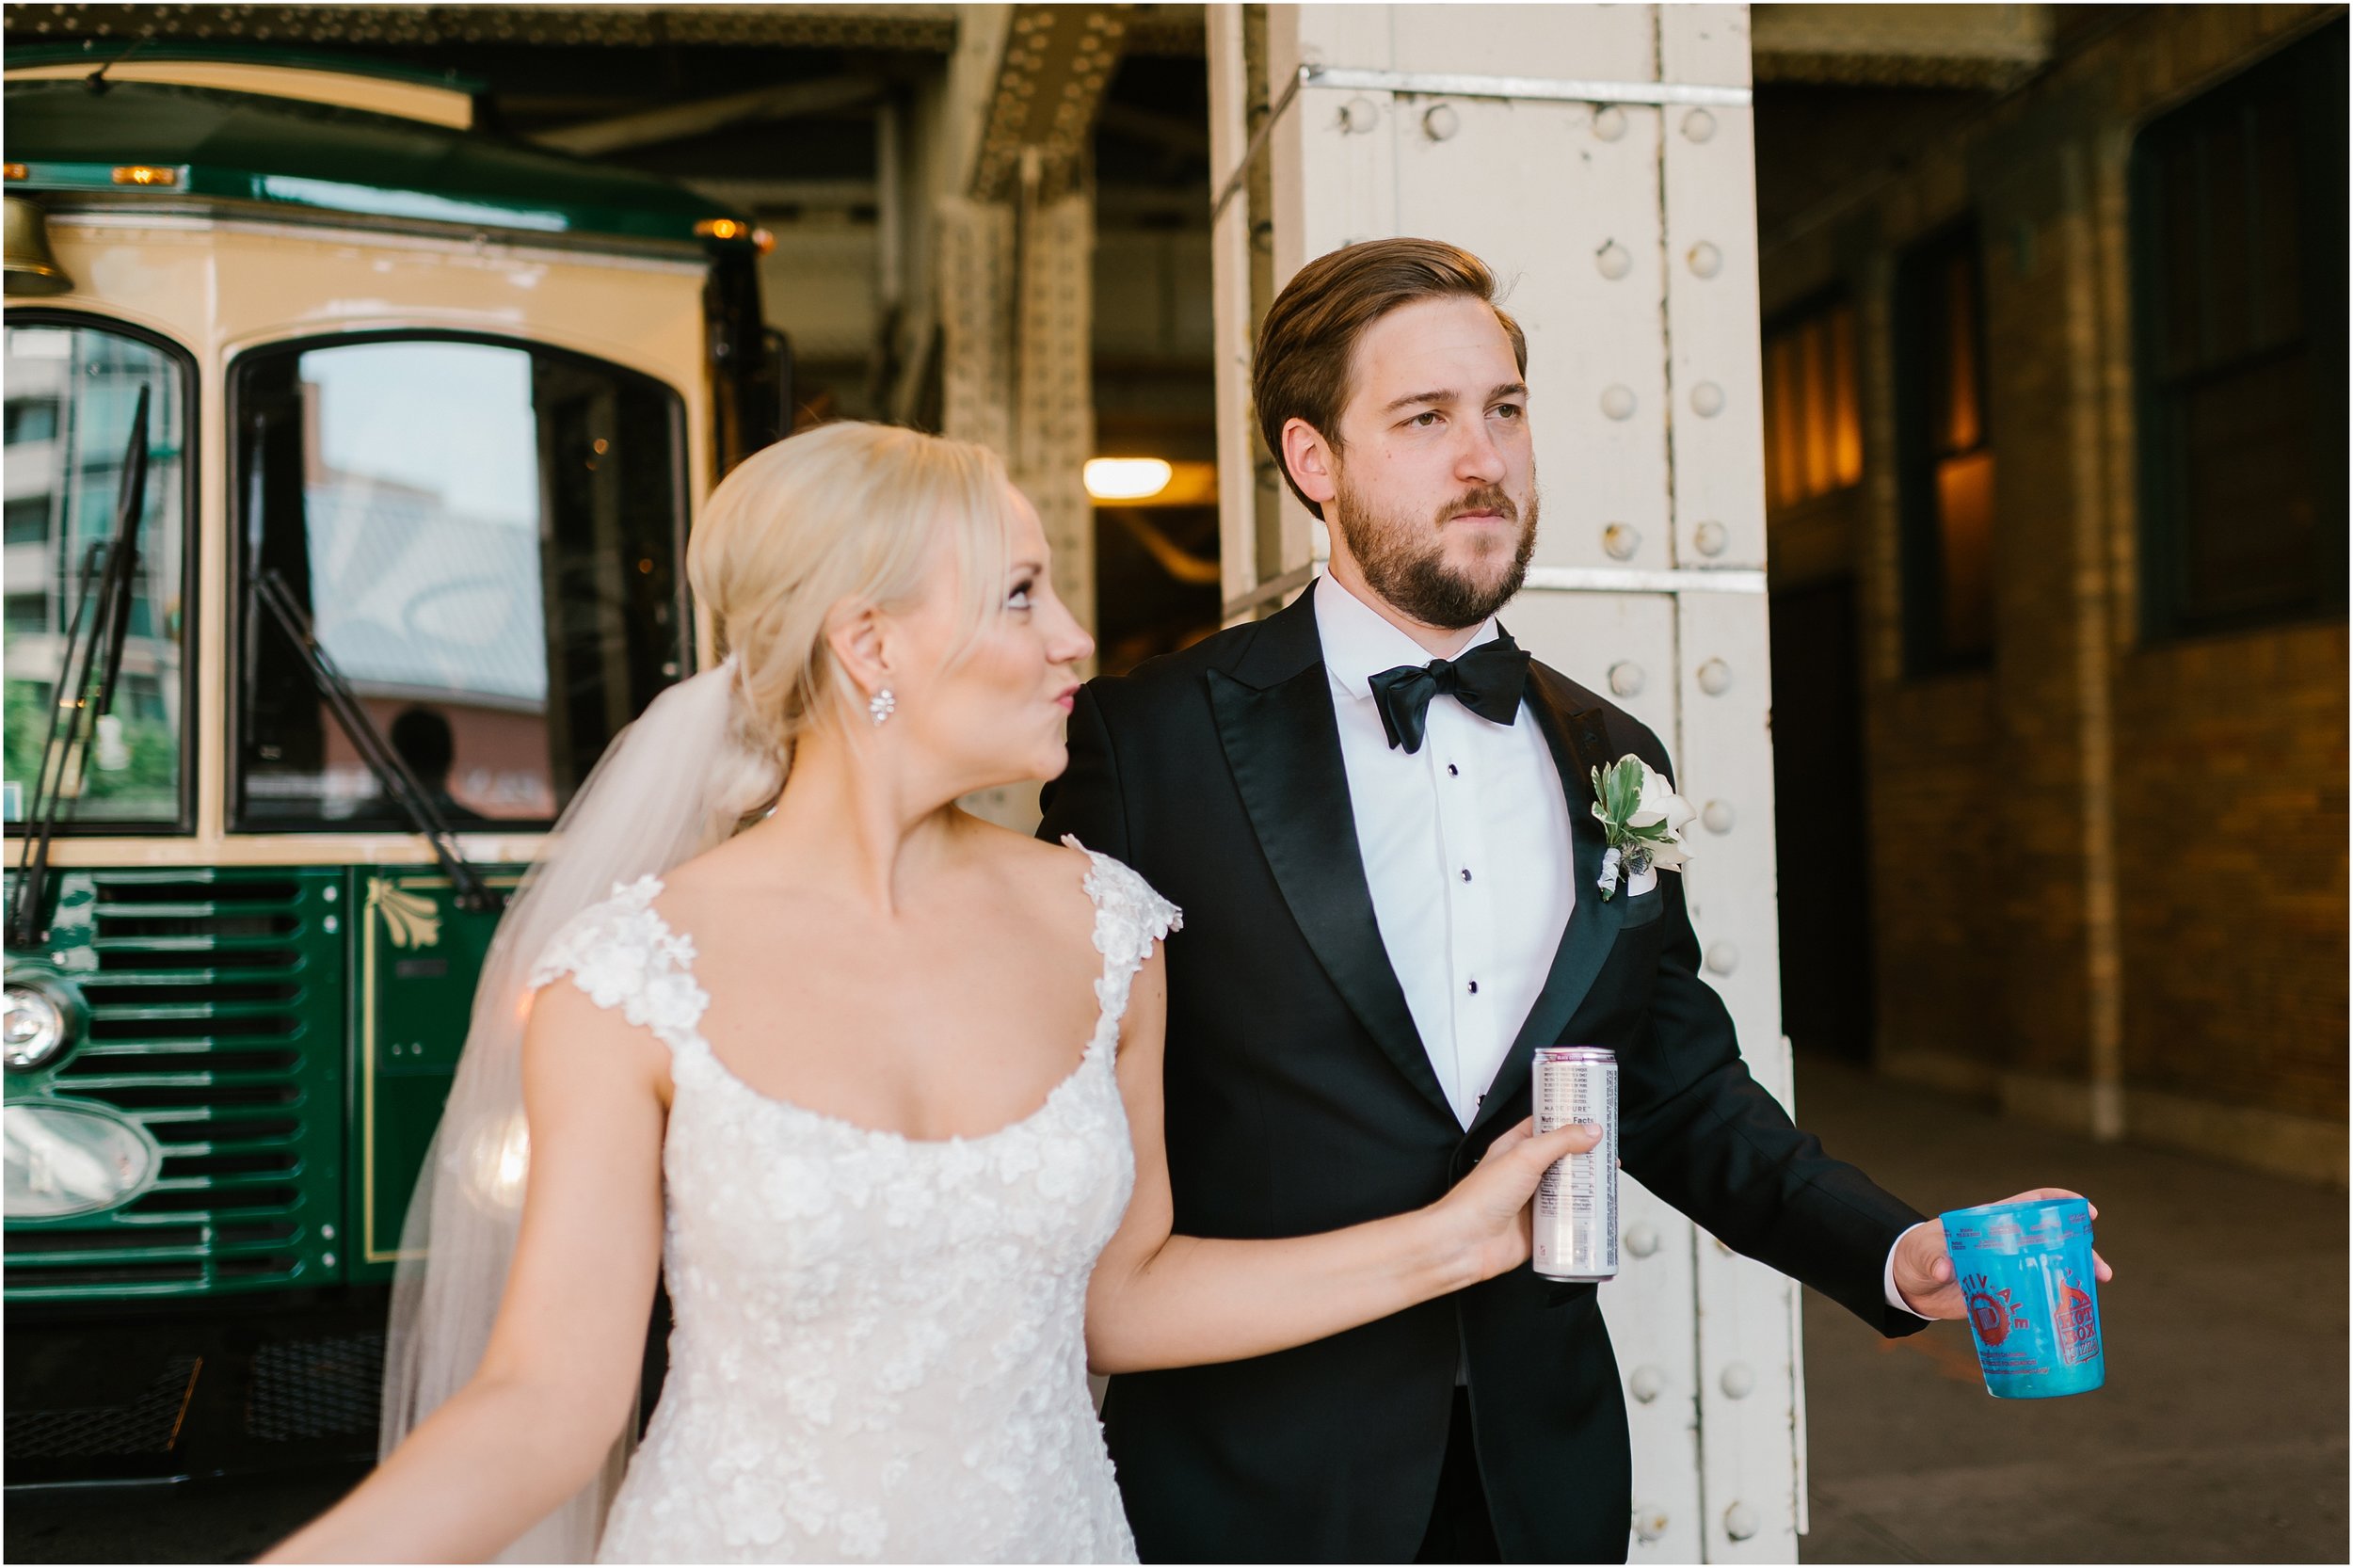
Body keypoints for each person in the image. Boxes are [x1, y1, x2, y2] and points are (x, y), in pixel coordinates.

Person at [263, 422, 1594, 1565]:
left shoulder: (1108, 929)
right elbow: (547, 1404)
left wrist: (1456, 1242)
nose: (1075, 635)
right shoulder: (626, 982)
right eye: (1021, 593)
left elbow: (1118, 1301)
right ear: (870, 644)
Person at [1037, 237, 2111, 1563]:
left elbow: (1677, 1081)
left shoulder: (1615, 756)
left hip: (1539, 1475)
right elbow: (1051, 1122)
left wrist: (1894, 1250)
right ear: (1314, 460)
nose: (1482, 457)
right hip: (1254, 1480)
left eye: (1504, 409)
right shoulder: (1148, 747)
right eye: (1425, 418)